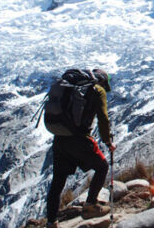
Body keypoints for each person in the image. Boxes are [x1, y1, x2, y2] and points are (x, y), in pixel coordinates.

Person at [46, 69, 115, 228]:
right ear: (103, 82)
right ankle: (91, 205)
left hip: (60, 138)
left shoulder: (71, 87)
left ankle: (51, 222)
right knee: (102, 167)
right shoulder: (97, 90)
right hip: (79, 139)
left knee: (57, 182)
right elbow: (103, 118)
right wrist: (108, 142)